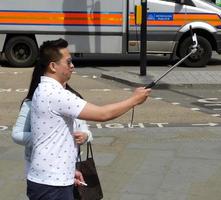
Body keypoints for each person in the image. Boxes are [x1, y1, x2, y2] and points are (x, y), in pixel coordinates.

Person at [27, 38, 151, 200]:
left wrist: (68, 170)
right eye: (68, 62)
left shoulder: (42, 89)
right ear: (53, 66)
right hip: (52, 185)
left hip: (50, 178)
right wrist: (134, 100)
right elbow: (102, 114)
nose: (72, 66)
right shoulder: (56, 94)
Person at [12, 62, 93, 176]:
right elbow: (17, 134)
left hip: (72, 163)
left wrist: (86, 135)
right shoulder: (32, 102)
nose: (72, 66)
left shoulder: (73, 98)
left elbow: (85, 126)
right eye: (68, 62)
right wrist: (46, 138)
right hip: (41, 168)